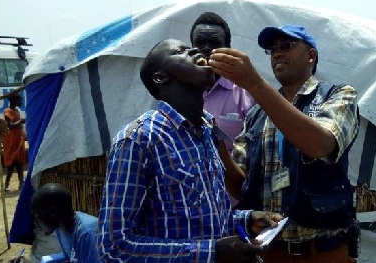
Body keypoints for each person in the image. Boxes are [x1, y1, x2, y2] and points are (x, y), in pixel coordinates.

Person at [97, 38, 281, 262]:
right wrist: (213, 252)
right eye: (181, 51)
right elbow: (114, 247)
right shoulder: (138, 140)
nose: (196, 50)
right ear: (161, 77)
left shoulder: (206, 132)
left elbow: (202, 218)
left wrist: (245, 219)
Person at [210, 24, 360, 262]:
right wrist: (216, 141)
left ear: (311, 55)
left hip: (324, 252)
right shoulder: (256, 115)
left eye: (286, 46)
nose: (277, 53)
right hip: (270, 253)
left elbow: (320, 145)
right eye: (272, 50)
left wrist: (254, 83)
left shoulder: (338, 95)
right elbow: (241, 187)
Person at [190, 12, 255, 153]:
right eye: (200, 42)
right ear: (191, 48)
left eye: (214, 43)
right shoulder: (178, 90)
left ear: (227, 48)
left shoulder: (247, 93)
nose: (206, 48)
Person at [31, 183, 101, 263]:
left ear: (53, 212)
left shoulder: (87, 234)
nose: (36, 222)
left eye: (37, 216)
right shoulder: (61, 227)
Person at [2, 93, 26, 191]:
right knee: (12, 164)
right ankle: (6, 183)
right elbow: (10, 126)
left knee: (20, 162)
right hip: (11, 140)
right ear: (13, 101)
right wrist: (20, 121)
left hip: (18, 140)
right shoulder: (7, 112)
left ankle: (21, 183)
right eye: (19, 100)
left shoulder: (16, 111)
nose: (20, 102)